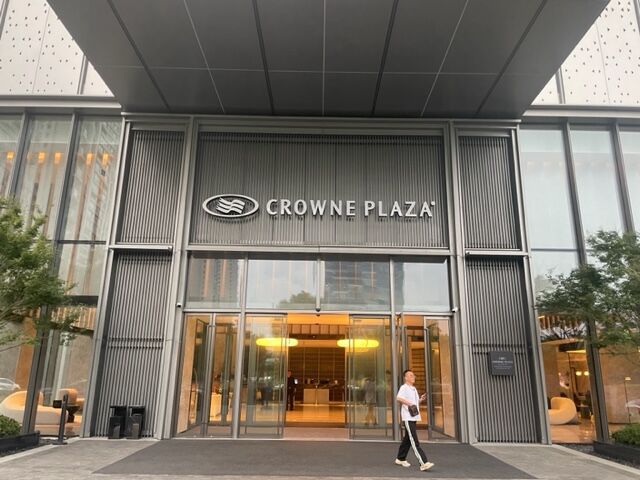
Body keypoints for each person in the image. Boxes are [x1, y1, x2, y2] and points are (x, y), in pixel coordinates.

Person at [395, 369, 434, 472]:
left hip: (414, 417)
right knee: (414, 441)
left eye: (413, 375)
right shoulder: (404, 387)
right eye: (411, 375)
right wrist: (409, 403)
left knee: (408, 439)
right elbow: (398, 398)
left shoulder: (413, 389)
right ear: (406, 378)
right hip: (408, 417)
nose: (413, 377)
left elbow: (415, 402)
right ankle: (423, 463)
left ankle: (400, 458)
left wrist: (420, 399)